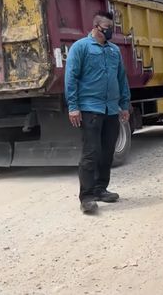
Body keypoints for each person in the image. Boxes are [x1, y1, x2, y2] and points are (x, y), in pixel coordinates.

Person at [65, 11, 130, 214]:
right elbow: (71, 77)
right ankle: (86, 197)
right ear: (96, 27)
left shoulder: (114, 51)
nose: (110, 31)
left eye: (112, 28)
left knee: (107, 151)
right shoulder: (81, 48)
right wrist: (73, 106)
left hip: (111, 109)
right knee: (91, 152)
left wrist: (124, 105)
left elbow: (121, 78)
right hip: (90, 108)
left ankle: (101, 188)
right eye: (106, 28)